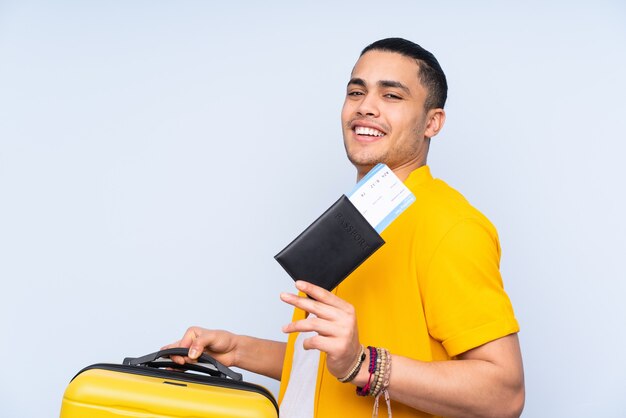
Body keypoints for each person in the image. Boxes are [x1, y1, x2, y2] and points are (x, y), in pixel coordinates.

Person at [163, 38, 525, 418]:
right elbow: (331, 363)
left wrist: (362, 365)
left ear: (432, 122)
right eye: (356, 91)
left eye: (392, 96)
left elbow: (504, 395)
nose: (366, 107)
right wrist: (238, 349)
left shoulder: (450, 225)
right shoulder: (359, 215)